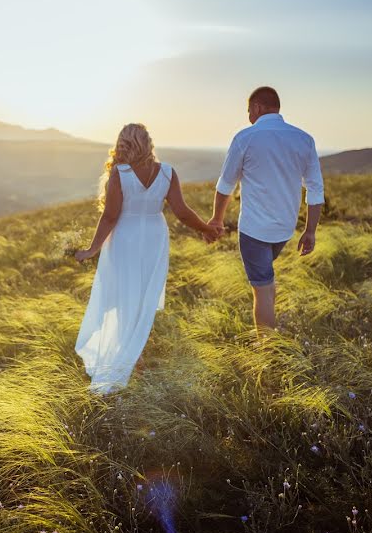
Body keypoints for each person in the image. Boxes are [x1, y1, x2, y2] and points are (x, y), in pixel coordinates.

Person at [74, 123, 223, 395]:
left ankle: (130, 357)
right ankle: (135, 355)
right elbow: (182, 211)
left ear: (124, 144)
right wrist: (205, 229)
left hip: (125, 238)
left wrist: (92, 249)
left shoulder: (120, 173)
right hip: (154, 238)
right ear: (147, 143)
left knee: (123, 296)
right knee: (143, 296)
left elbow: (109, 216)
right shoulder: (167, 172)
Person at [208, 86, 325, 332]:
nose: (249, 116)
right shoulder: (304, 139)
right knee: (266, 282)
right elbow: (315, 189)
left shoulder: (245, 137)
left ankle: (267, 353)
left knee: (261, 289)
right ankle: (270, 332)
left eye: (249, 110)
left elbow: (226, 184)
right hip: (284, 229)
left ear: (258, 108)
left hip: (253, 230)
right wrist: (310, 231)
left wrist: (217, 219)